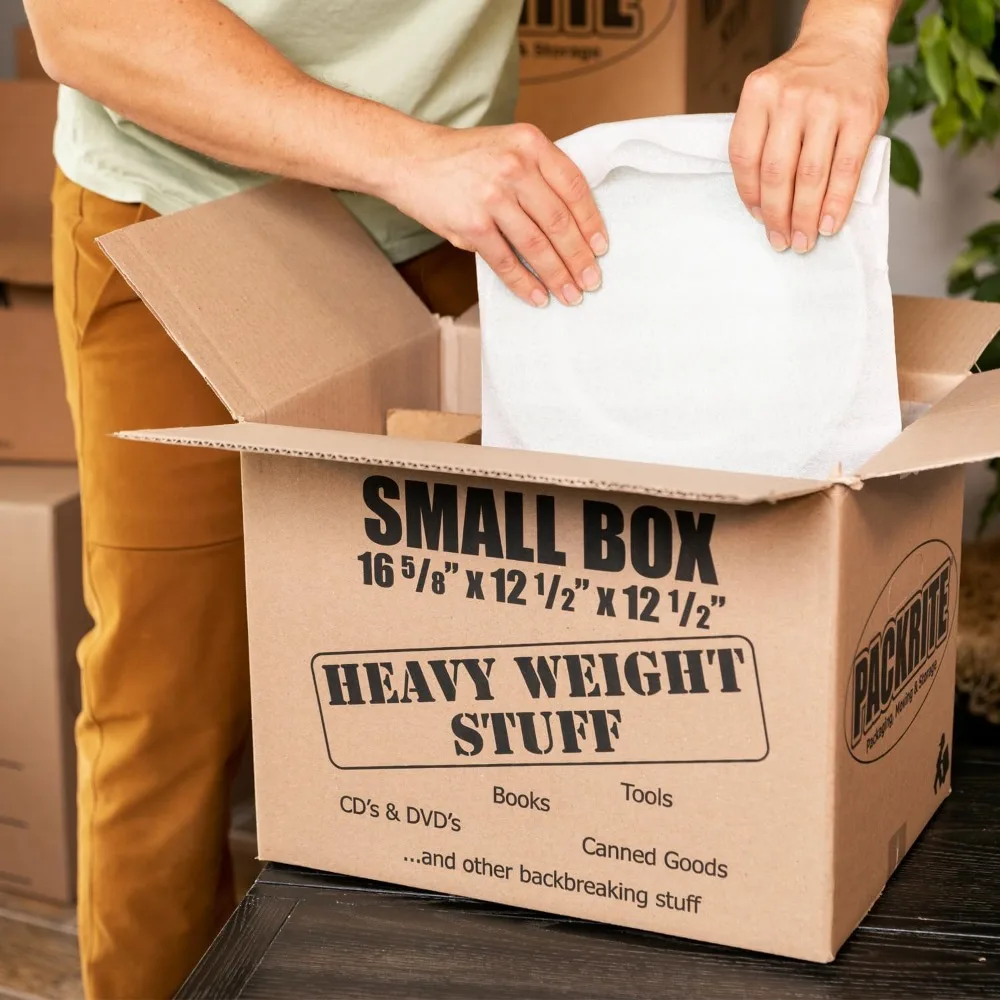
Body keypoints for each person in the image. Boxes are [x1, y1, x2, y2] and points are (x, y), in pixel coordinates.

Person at [22, 0, 900, 996]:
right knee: (167, 717)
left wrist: (841, 35)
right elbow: (88, 25)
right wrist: (405, 154)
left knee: (469, 706)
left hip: (454, 216)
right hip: (187, 196)